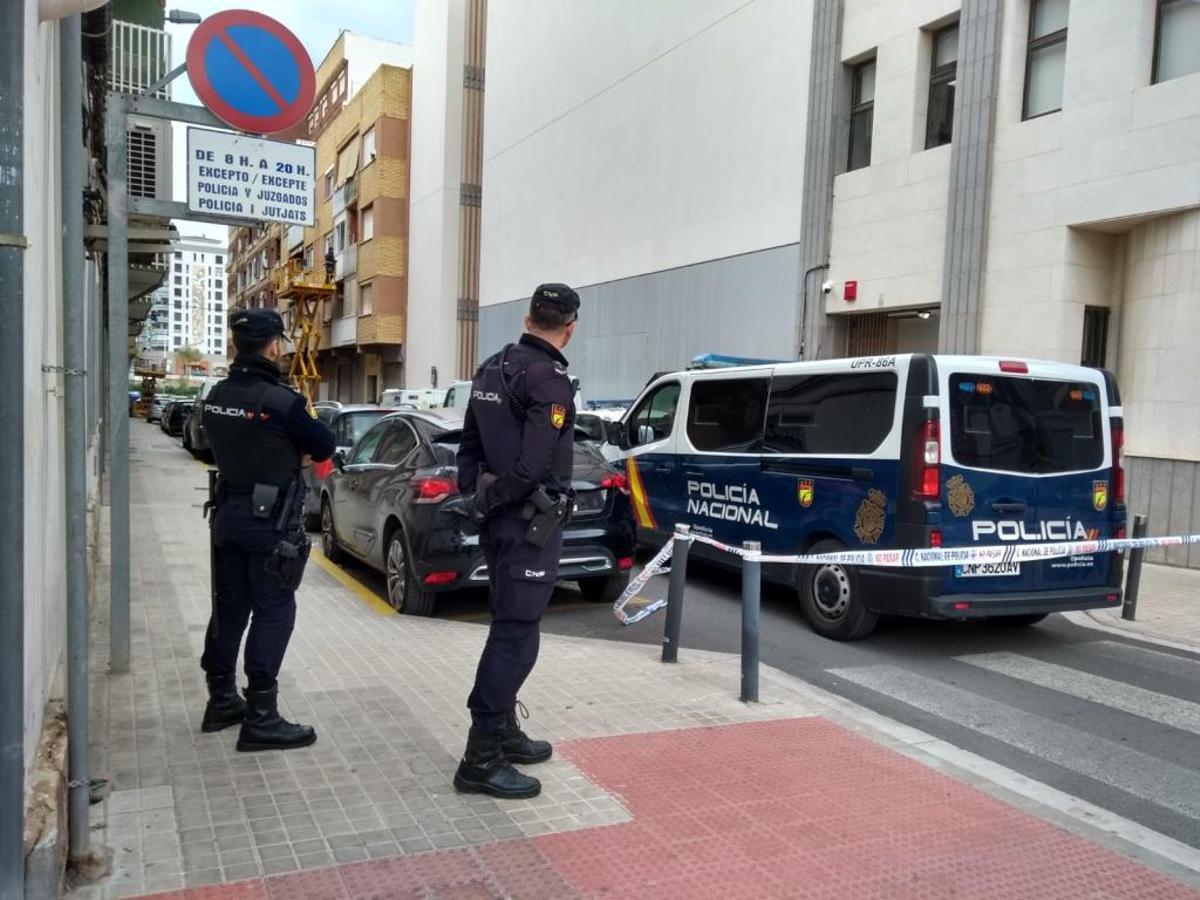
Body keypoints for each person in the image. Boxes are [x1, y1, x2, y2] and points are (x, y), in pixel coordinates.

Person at [453, 283, 580, 799]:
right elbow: (530, 466)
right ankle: (480, 756)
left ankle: (501, 729)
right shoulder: (549, 380)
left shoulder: (490, 368)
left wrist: (478, 497)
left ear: (529, 319)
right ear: (569, 328)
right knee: (518, 634)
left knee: (508, 624)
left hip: (501, 523)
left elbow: (467, 447)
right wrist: (498, 500)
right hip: (528, 524)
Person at [199, 308, 336, 752]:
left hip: (227, 514)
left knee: (229, 608)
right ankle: (261, 715)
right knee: (275, 610)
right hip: (270, 522)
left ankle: (221, 698)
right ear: (275, 345)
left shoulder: (218, 393)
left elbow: (215, 442)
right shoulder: (282, 401)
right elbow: (324, 444)